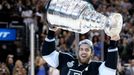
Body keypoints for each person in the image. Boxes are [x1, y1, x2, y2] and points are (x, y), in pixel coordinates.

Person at [41, 16, 122, 75]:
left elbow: (110, 69)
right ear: (78, 51)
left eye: (87, 50)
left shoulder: (96, 67)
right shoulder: (66, 60)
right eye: (81, 49)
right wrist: (51, 31)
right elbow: (48, 54)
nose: (83, 52)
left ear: (91, 53)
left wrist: (113, 43)